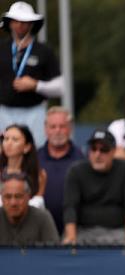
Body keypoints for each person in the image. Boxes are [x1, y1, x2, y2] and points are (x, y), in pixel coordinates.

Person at [62, 129, 125, 245]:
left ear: (113, 152)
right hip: (82, 232)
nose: (97, 154)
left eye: (104, 150)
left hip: (118, 233)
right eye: (93, 149)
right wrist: (71, 237)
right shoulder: (76, 171)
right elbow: (70, 207)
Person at [0, 2, 62, 147]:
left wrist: (36, 85)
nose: (20, 25)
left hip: (34, 112)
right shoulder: (1, 49)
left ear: (32, 24)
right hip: (3, 112)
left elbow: (60, 87)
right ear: (9, 23)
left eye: (24, 22)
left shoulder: (44, 51)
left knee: (36, 151)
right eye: (16, 21)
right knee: (3, 153)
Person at [37, 106, 84, 233]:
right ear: (46, 129)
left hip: (76, 231)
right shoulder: (34, 159)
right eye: (53, 127)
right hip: (40, 231)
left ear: (70, 128)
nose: (58, 131)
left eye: (62, 126)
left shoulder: (83, 159)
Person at [0, 173, 57, 245]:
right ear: (1, 198)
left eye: (18, 196)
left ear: (29, 196)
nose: (13, 203)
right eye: (8, 197)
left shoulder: (43, 218)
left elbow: (54, 252)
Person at [1, 123, 45, 209]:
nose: (9, 143)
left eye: (15, 139)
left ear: (27, 147)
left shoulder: (39, 175)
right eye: (6, 139)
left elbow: (38, 205)